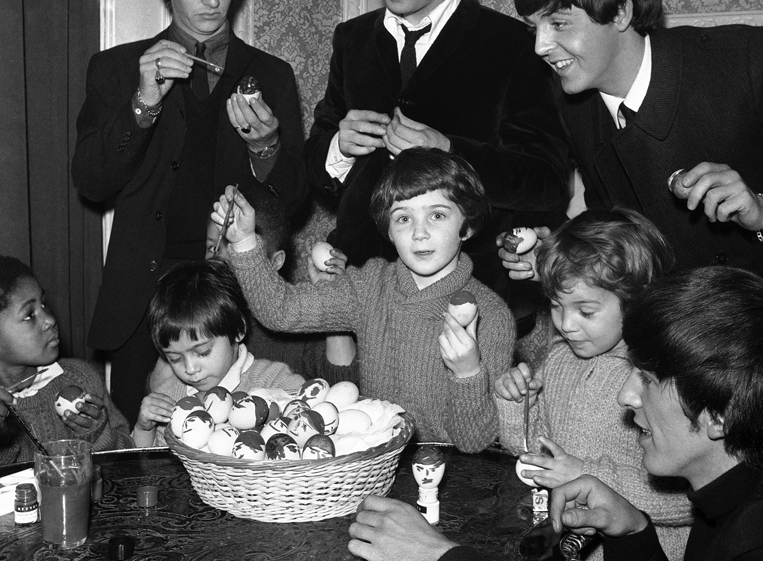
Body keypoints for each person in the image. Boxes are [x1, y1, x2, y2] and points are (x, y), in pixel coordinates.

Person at [303, 0, 570, 332]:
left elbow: (546, 182)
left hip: (473, 308)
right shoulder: (352, 40)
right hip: (362, 303)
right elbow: (318, 178)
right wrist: (337, 148)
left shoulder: (513, 46)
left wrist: (452, 153)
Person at [72, 0, 308, 426]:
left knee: (246, 452)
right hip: (143, 301)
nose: (211, 0)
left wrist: (267, 145)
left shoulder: (269, 73)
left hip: (238, 302)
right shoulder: (117, 69)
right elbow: (91, 182)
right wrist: (143, 105)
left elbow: (293, 200)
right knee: (146, 464)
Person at [502, 0, 763, 299]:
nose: (540, 47)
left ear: (620, 12)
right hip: (676, 329)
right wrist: (558, 257)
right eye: (535, 30)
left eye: (559, 24)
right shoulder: (572, 107)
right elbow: (622, 238)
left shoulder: (752, 61)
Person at [213, 147, 516, 452]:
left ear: (467, 225)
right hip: (376, 469)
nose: (420, 233)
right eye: (403, 218)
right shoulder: (370, 285)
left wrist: (467, 373)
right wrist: (244, 243)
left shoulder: (492, 315)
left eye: (437, 215)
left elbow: (475, 443)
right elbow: (281, 311)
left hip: (452, 481)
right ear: (388, 229)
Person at [549, 265, 763, 560]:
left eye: (647, 379)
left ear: (720, 415)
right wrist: (633, 532)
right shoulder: (733, 503)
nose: (625, 397)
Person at [495, 208, 690, 560]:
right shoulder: (558, 358)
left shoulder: (658, 380)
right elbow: (532, 457)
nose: (566, 324)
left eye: (585, 311)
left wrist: (586, 474)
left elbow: (686, 502)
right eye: (556, 305)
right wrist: (516, 404)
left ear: (636, 303)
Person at [132, 259, 304, 447]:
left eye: (203, 352)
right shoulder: (170, 396)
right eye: (174, 358)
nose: (190, 369)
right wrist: (144, 429)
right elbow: (149, 469)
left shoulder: (274, 381)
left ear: (238, 329)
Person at [204, 186, 357, 383]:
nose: (219, 261)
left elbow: (344, 381)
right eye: (212, 248)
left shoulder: (298, 319)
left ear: (276, 262)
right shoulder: (193, 309)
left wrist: (332, 302)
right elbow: (161, 386)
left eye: (236, 248)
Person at [0, 256, 133, 465]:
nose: (50, 320)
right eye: (29, 315)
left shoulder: (80, 378)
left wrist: (98, 436)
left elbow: (128, 463)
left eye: (44, 304)